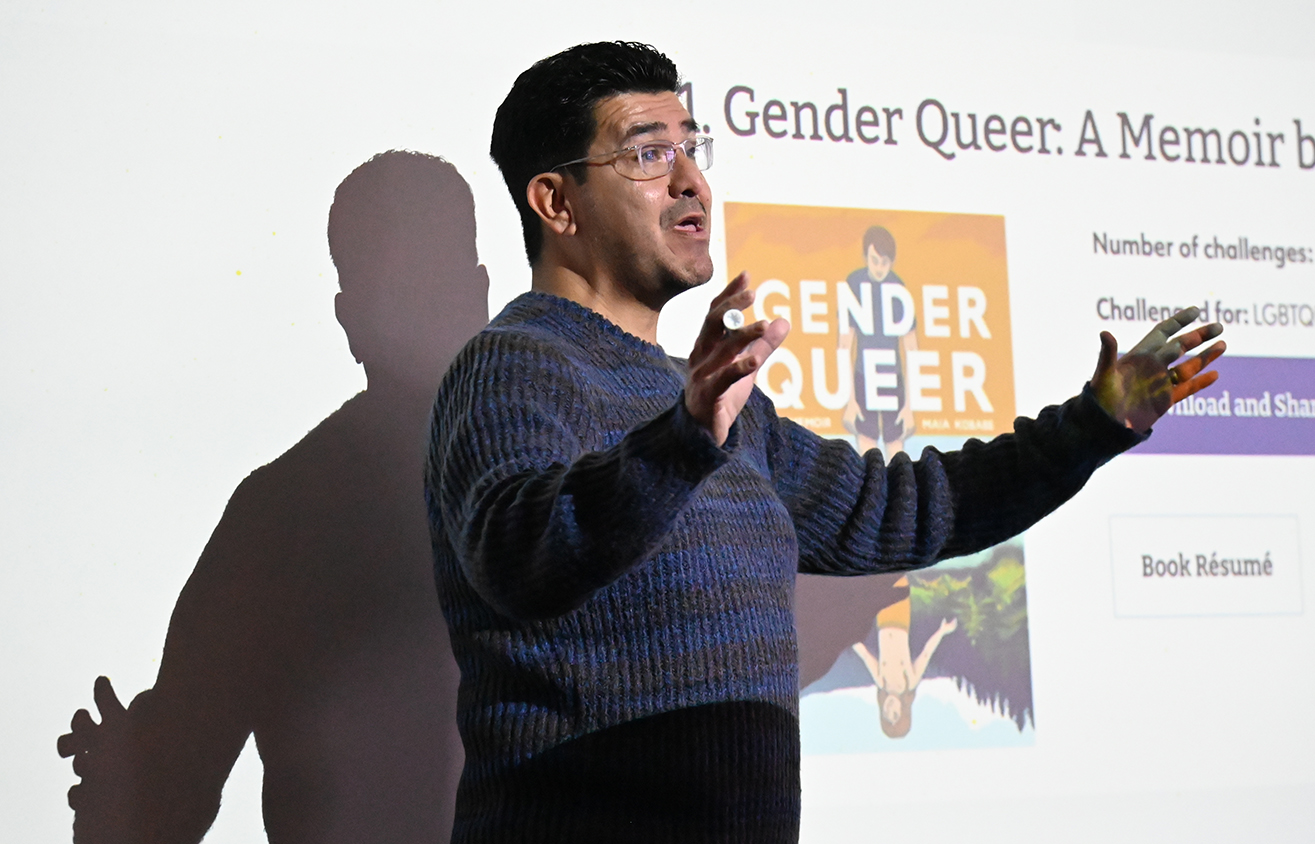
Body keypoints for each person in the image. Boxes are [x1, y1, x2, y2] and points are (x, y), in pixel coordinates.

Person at [424, 41, 1224, 843]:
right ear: (556, 204)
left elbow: (903, 509)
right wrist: (684, 438)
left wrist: (1093, 425)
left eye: (693, 147)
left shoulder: (711, 398)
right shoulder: (518, 364)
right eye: (647, 153)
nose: (691, 179)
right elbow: (517, 553)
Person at [58, 151, 487, 844]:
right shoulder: (593, 486)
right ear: (481, 296)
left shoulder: (276, 519)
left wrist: (119, 792)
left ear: (350, 318)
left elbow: (156, 810)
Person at [838, 225, 917, 459]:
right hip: (864, 375)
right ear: (866, 257)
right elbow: (845, 344)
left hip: (893, 377)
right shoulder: (854, 283)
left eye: (885, 262)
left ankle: (901, 495)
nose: (880, 268)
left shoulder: (898, 286)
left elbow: (911, 348)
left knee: (895, 445)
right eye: (875, 260)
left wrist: (909, 405)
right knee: (867, 445)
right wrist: (850, 400)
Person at [851, 576, 958, 737]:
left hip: (884, 620)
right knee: (899, 578)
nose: (889, 709)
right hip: (901, 620)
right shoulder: (910, 682)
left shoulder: (882, 681)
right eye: (895, 714)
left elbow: (865, 655)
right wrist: (942, 631)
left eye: (886, 714)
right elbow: (926, 653)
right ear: (904, 712)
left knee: (884, 580)